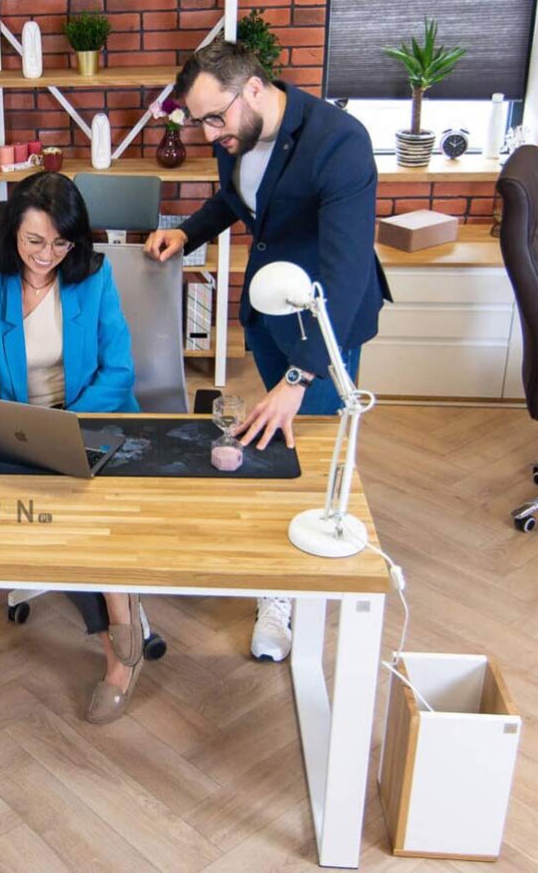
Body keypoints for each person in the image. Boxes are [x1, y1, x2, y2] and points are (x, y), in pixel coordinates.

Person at [143, 39, 387, 662]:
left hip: (327, 328)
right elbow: (236, 200)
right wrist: (186, 230)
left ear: (253, 88)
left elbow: (345, 268)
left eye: (214, 118)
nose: (208, 134)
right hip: (269, 309)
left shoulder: (339, 142)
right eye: (198, 122)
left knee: (318, 453)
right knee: (278, 446)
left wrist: (301, 377)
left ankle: (293, 598)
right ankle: (273, 566)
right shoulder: (238, 138)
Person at [0, 172, 146, 723]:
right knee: (67, 522)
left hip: (93, 421)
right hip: (23, 428)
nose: (46, 255)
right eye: (34, 241)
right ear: (12, 234)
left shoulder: (93, 278)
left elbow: (120, 371)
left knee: (89, 524)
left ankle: (118, 649)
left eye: (60, 243)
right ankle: (123, 611)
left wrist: (69, 424)